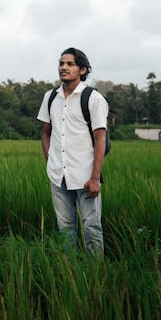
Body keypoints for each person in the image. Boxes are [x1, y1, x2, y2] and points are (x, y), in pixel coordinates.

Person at [36, 47, 109, 255]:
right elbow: (45, 132)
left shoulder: (93, 99)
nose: (63, 68)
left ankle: (95, 273)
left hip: (85, 176)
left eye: (70, 64)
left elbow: (100, 138)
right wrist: (50, 160)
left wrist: (95, 178)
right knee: (65, 227)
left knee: (91, 227)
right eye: (61, 63)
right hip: (58, 176)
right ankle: (70, 270)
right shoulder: (50, 97)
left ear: (83, 70)